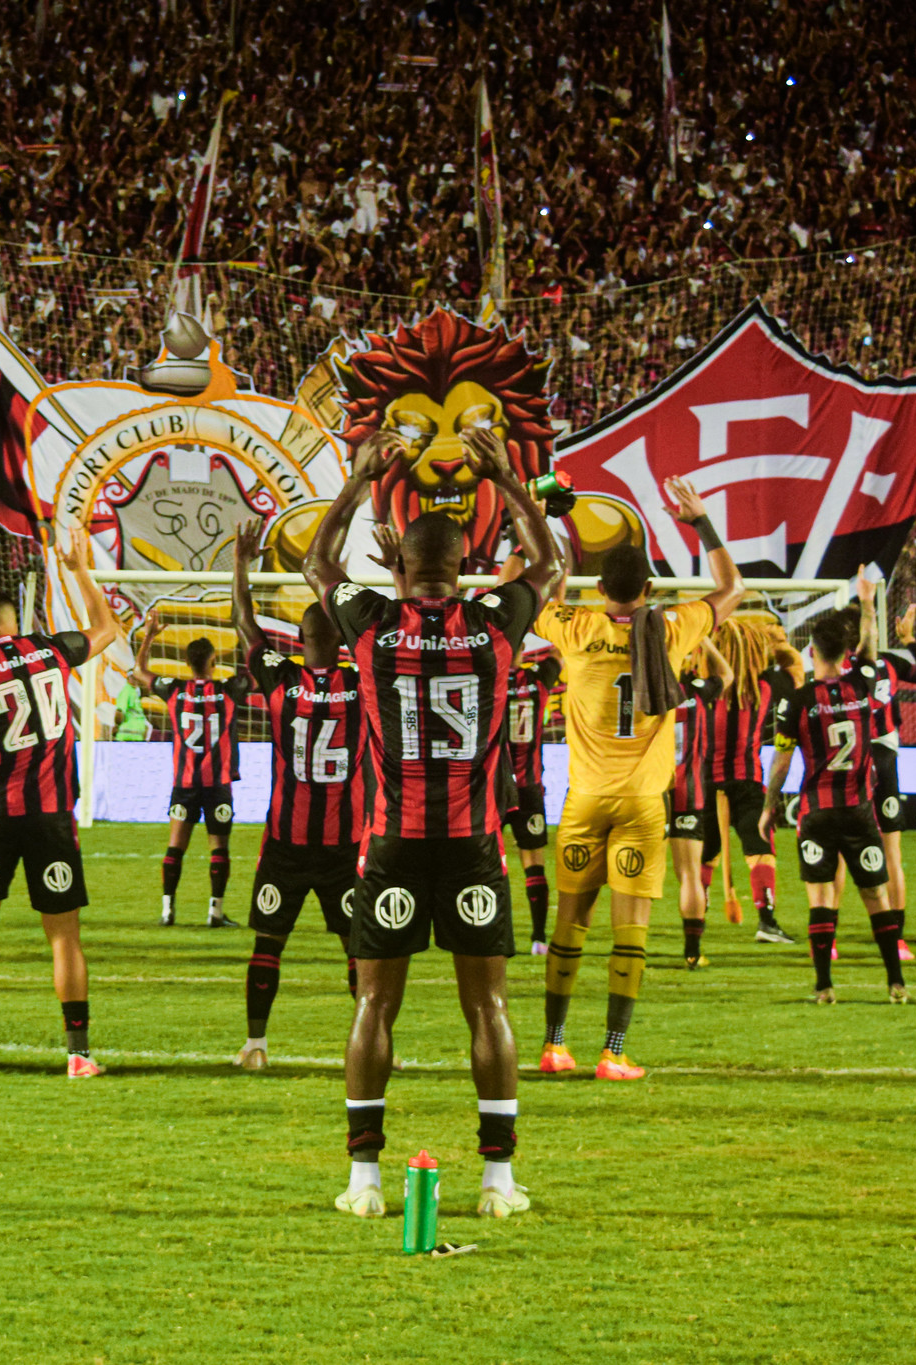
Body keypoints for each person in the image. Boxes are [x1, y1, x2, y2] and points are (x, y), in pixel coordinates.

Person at [304, 420, 557, 1221]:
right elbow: (550, 563)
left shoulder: (374, 624)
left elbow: (315, 563)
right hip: (475, 843)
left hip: (392, 845)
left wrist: (356, 478)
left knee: (374, 1005)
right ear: (464, 566)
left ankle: (365, 1180)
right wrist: (509, 476)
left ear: (400, 565)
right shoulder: (494, 625)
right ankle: (497, 1182)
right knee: (489, 1009)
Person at [531, 481, 742, 1080]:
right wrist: (700, 523)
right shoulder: (672, 629)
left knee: (570, 922)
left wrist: (537, 524)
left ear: (598, 591)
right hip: (642, 807)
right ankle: (613, 1052)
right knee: (632, 930)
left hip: (584, 800)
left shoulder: (573, 628)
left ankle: (553, 1045)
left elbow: (527, 591)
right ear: (649, 590)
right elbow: (733, 589)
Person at [0, 525, 121, 1077]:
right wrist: (77, 567)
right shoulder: (52, 650)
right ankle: (79, 1055)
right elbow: (108, 628)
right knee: (64, 936)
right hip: (50, 817)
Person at [227, 517, 366, 1071]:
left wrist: (241, 564)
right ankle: (377, 1044)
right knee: (360, 949)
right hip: (344, 845)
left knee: (268, 943)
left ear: (302, 642)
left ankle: (255, 1045)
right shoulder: (363, 683)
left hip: (285, 841)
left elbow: (244, 624)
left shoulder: (281, 680)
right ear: (342, 640)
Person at [760, 608, 908, 1004]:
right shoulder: (862, 684)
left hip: (817, 812)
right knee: (876, 896)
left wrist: (768, 806)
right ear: (847, 653)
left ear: (810, 652)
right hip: (859, 810)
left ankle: (824, 986)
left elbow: (783, 761)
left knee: (821, 898)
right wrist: (867, 605)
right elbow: (871, 648)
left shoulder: (797, 700)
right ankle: (896, 982)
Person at [132, 611, 253, 927]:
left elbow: (138, 671)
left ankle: (167, 911)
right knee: (219, 847)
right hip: (218, 783)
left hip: (184, 784)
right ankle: (215, 912)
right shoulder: (229, 689)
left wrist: (149, 635)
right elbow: (256, 674)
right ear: (214, 662)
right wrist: (243, 629)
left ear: (187, 664)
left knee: (176, 845)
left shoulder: (173, 689)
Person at [696, 617, 805, 941]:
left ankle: (695, 922)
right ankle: (767, 921)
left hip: (705, 784)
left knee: (704, 855)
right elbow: (797, 668)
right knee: (760, 848)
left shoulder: (702, 683)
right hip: (747, 780)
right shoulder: (767, 683)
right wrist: (776, 642)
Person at [853, 584, 916, 961]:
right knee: (892, 853)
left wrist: (867, 606)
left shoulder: (846, 666)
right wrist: (910, 642)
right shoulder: (890, 660)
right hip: (886, 759)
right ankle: (899, 940)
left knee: (844, 850)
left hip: (858, 761)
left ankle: (832, 940)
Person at [667, 637, 734, 968]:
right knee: (690, 874)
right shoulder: (697, 690)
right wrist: (706, 639)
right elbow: (728, 674)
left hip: (649, 790)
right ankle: (692, 951)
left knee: (633, 873)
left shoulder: (647, 689)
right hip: (688, 790)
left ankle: (627, 946)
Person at [503, 652, 564, 952]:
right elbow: (560, 656)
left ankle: (494, 933)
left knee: (489, 863)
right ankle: (539, 938)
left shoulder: (488, 676)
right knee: (534, 862)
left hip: (494, 786)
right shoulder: (537, 678)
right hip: (528, 786)